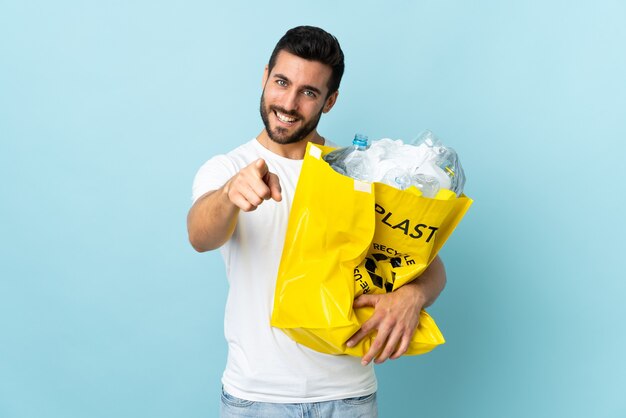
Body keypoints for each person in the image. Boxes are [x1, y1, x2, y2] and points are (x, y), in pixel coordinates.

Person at [187, 25, 447, 418]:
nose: (288, 103)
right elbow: (199, 235)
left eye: (309, 92)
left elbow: (430, 266)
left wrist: (412, 296)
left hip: (349, 397)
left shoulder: (360, 171)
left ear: (330, 101)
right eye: (281, 82)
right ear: (265, 77)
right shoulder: (228, 167)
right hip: (256, 398)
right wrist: (228, 195)